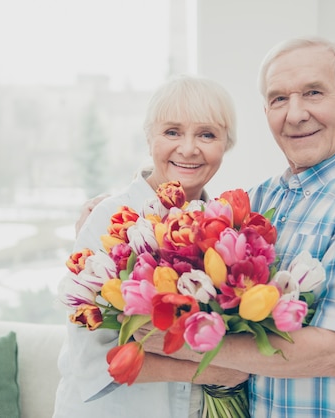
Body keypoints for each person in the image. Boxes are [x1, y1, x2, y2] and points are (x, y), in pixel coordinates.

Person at [139, 36, 335, 417]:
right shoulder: (259, 200)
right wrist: (124, 204)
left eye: (313, 92)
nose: (294, 114)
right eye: (279, 98)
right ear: (266, 110)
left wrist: (172, 339)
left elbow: (334, 352)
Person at [52, 74, 249, 418]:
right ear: (149, 138)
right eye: (172, 132)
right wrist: (216, 370)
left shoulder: (228, 230)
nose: (188, 148)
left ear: (226, 144)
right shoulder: (108, 220)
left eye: (207, 134)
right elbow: (91, 358)